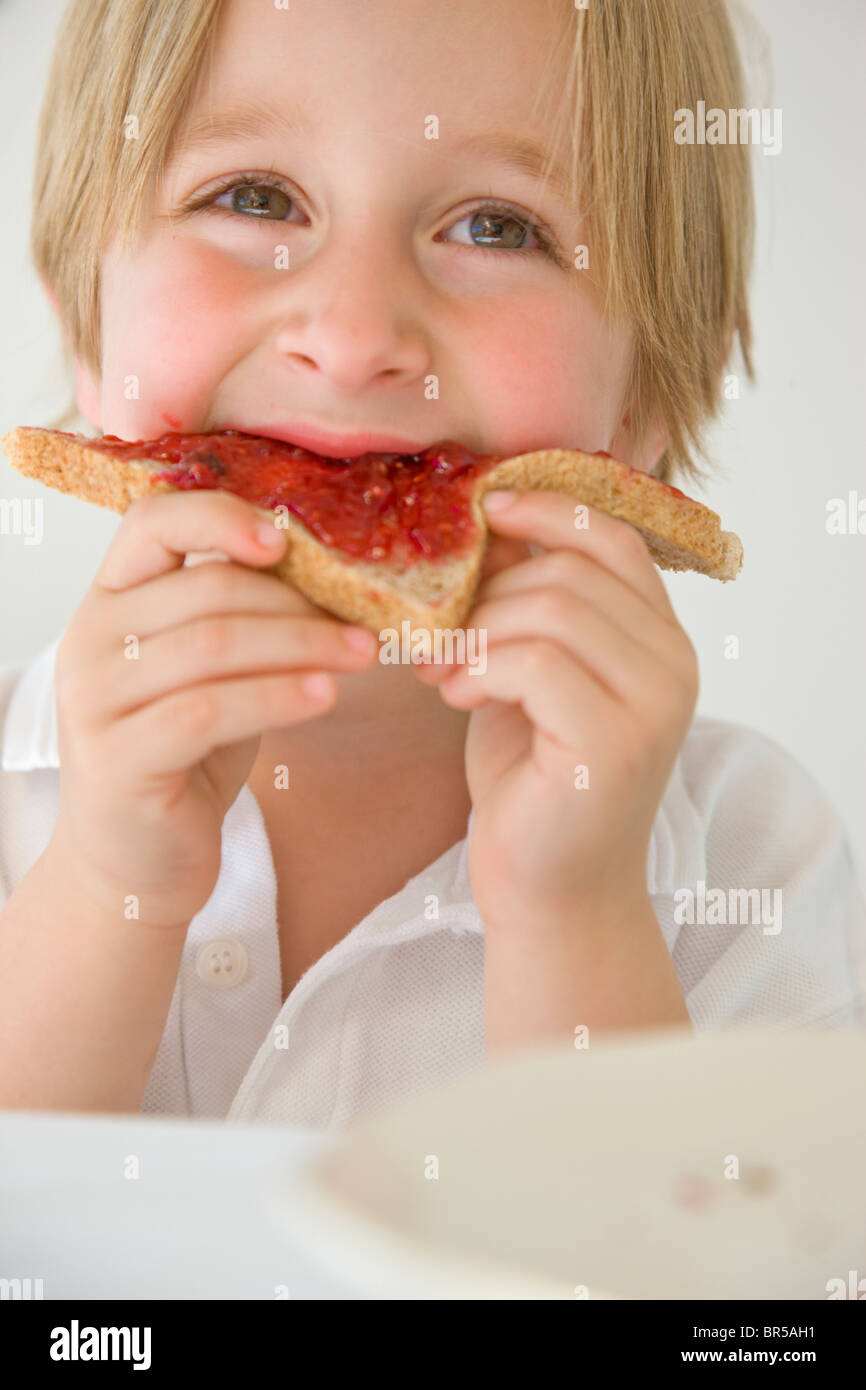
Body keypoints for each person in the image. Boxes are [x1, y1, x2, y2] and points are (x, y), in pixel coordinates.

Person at [0, 0, 863, 1127]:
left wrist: (574, 912)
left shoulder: (749, 854)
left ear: (644, 393)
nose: (354, 332)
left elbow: (714, 1290)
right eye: (253, 198)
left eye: (496, 226)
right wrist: (109, 887)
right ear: (87, 326)